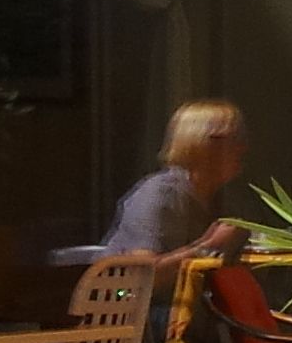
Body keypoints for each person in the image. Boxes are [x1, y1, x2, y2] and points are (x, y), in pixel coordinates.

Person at [99, 101, 249, 263]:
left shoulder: (224, 198)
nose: (243, 147)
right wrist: (210, 246)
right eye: (234, 138)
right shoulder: (160, 194)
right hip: (123, 289)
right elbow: (144, 273)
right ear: (201, 143)